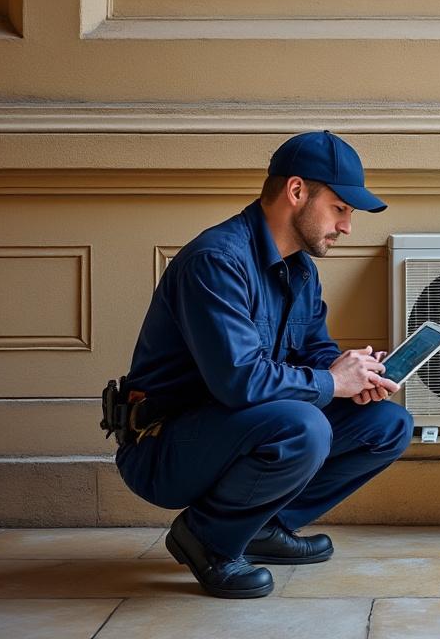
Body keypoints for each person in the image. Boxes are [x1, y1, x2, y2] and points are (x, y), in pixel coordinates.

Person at [113, 130, 412, 599]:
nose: (347, 227)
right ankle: (206, 537)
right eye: (340, 208)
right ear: (296, 192)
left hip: (237, 426)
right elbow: (240, 381)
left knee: (387, 423)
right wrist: (330, 382)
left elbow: (314, 354)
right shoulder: (216, 261)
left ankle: (260, 527)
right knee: (303, 425)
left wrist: (355, 378)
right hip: (164, 447)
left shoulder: (299, 269)